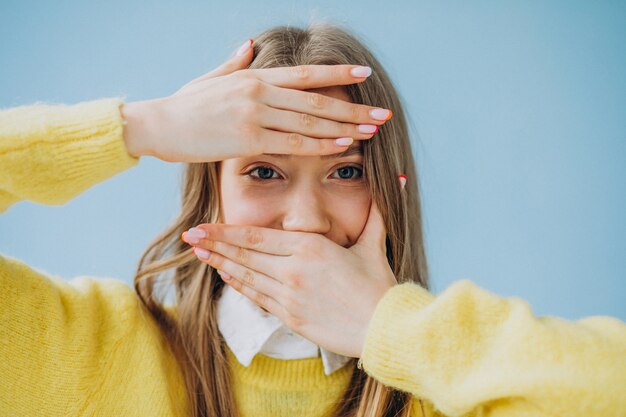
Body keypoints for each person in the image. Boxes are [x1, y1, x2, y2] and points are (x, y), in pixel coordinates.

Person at [0, 23, 624, 417]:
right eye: (264, 172)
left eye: (346, 172)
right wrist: (142, 127)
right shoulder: (92, 351)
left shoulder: (447, 386)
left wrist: (390, 326)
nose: (304, 223)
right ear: (210, 192)